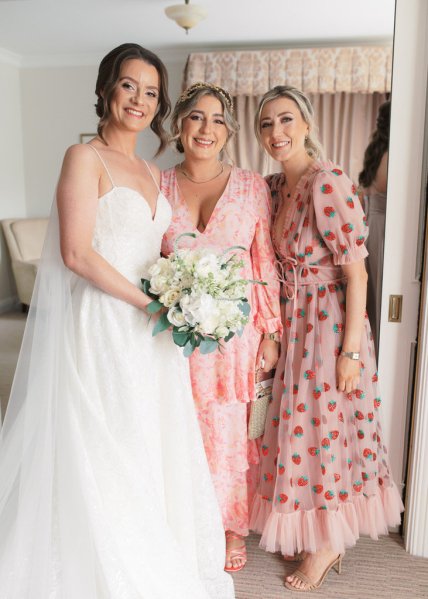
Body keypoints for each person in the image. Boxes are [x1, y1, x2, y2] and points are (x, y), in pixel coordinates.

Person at [0, 44, 234, 599]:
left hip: (149, 332)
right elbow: (77, 254)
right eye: (129, 86)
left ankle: (156, 542)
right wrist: (151, 303)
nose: (139, 100)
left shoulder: (154, 171)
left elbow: (154, 251)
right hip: (106, 321)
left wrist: (189, 291)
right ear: (106, 89)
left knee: (148, 439)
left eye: (151, 92)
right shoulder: (84, 158)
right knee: (106, 440)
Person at [249, 86, 404, 592]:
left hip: (329, 324)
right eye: (267, 123)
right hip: (292, 323)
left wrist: (352, 351)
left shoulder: (326, 181)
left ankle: (330, 543)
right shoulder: (273, 187)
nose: (277, 132)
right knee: (300, 435)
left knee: (329, 432)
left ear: (308, 124)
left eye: (287, 120)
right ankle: (315, 528)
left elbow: (357, 274)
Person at [161, 82, 282, 572]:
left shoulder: (252, 185)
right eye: (195, 117)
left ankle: (232, 527)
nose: (205, 129)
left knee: (233, 434)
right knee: (183, 430)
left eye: (216, 120)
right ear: (179, 126)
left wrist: (272, 331)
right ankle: (188, 520)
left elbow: (264, 259)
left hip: (237, 335)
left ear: (229, 131)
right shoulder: (159, 184)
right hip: (176, 335)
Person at [358, 100, 391, 357]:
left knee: (374, 295)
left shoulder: (375, 151)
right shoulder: (391, 156)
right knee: (380, 294)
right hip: (382, 229)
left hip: (371, 225)